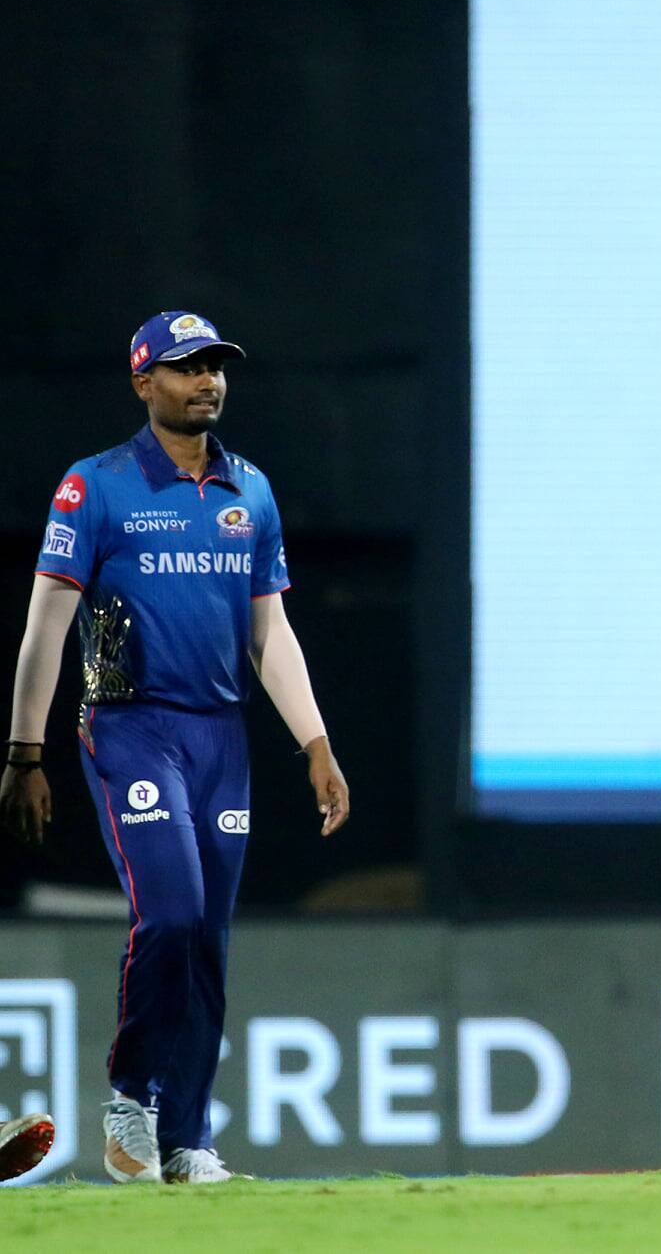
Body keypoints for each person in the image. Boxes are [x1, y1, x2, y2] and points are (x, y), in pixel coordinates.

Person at [1, 311, 350, 1184]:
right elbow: (45, 629)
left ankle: (188, 1137)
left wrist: (315, 740)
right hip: (130, 725)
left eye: (216, 367)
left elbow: (270, 633)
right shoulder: (97, 486)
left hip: (220, 735)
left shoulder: (250, 492)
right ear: (142, 382)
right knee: (176, 912)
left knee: (210, 939)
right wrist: (24, 752)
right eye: (186, 367)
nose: (207, 382)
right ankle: (132, 1095)